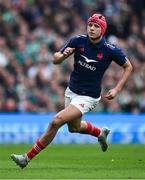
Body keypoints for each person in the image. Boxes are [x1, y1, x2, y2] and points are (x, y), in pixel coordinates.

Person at [11, 13, 133, 168]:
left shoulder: (111, 50)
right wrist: (62, 57)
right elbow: (55, 59)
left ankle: (26, 158)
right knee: (74, 128)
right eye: (90, 25)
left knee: (56, 121)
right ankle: (99, 133)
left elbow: (128, 67)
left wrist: (117, 89)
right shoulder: (78, 41)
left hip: (88, 97)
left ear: (102, 30)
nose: (92, 28)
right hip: (71, 91)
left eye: (96, 26)